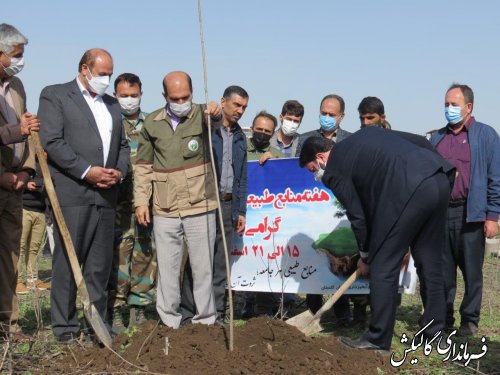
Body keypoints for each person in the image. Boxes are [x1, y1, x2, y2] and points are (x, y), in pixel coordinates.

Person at [299, 128, 454, 351]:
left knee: (383, 267)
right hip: (437, 179)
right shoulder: (367, 135)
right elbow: (420, 140)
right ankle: (434, 332)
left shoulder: (334, 169)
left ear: (321, 157)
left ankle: (377, 339)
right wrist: (429, 170)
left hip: (405, 193)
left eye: (313, 169)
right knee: (430, 262)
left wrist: (365, 255)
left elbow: (357, 216)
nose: (317, 175)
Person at [38, 48, 130, 342]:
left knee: (99, 265)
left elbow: (124, 146)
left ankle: (96, 325)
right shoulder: (56, 96)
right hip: (73, 193)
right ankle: (65, 329)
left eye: (109, 74)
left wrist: (119, 170)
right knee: (68, 263)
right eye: (102, 73)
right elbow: (52, 141)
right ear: (84, 69)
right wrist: (86, 170)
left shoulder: (113, 105)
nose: (106, 79)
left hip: (105, 196)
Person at [134, 71, 222, 329]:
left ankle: (205, 321)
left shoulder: (204, 115)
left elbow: (218, 121)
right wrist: (141, 201)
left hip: (201, 203)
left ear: (192, 93)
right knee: (168, 267)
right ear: (165, 96)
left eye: (185, 97)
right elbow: (143, 166)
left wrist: (216, 113)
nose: (181, 102)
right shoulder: (152, 123)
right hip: (165, 207)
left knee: (202, 267)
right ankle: (169, 321)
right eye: (175, 98)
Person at [430, 83, 499, 336]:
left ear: (468, 107)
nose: (449, 109)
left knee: (472, 271)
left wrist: (493, 216)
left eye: (454, 104)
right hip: (441, 213)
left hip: (472, 212)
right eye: (446, 104)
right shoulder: (437, 137)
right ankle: (444, 317)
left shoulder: (485, 135)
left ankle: (469, 321)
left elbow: (495, 178)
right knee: (444, 270)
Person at [181, 85, 249, 325]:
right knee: (198, 259)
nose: (240, 111)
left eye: (243, 107)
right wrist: (210, 113)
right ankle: (188, 312)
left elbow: (241, 176)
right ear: (223, 102)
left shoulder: (241, 137)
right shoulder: (209, 129)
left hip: (229, 205)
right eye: (236, 105)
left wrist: (241, 210)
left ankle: (217, 313)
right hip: (206, 202)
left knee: (221, 263)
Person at [107, 73, 156, 334]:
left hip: (147, 202)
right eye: (123, 95)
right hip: (117, 203)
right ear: (115, 95)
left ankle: (139, 308)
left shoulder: (151, 123)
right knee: (118, 255)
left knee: (146, 253)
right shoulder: (109, 121)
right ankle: (115, 310)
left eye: (133, 95)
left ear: (141, 94)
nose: (129, 100)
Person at [0, 23, 38, 341]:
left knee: (10, 256)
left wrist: (25, 172)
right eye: (16, 55)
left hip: (13, 189)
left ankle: (8, 323)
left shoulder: (17, 87)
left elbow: (26, 134)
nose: (20, 60)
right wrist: (17, 131)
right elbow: (17, 131)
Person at [17, 156, 50, 294]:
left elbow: (51, 182)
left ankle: (32, 279)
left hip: (40, 211)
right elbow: (17, 179)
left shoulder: (48, 165)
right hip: (24, 208)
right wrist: (26, 184)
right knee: (21, 245)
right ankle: (17, 280)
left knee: (34, 247)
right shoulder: (27, 163)